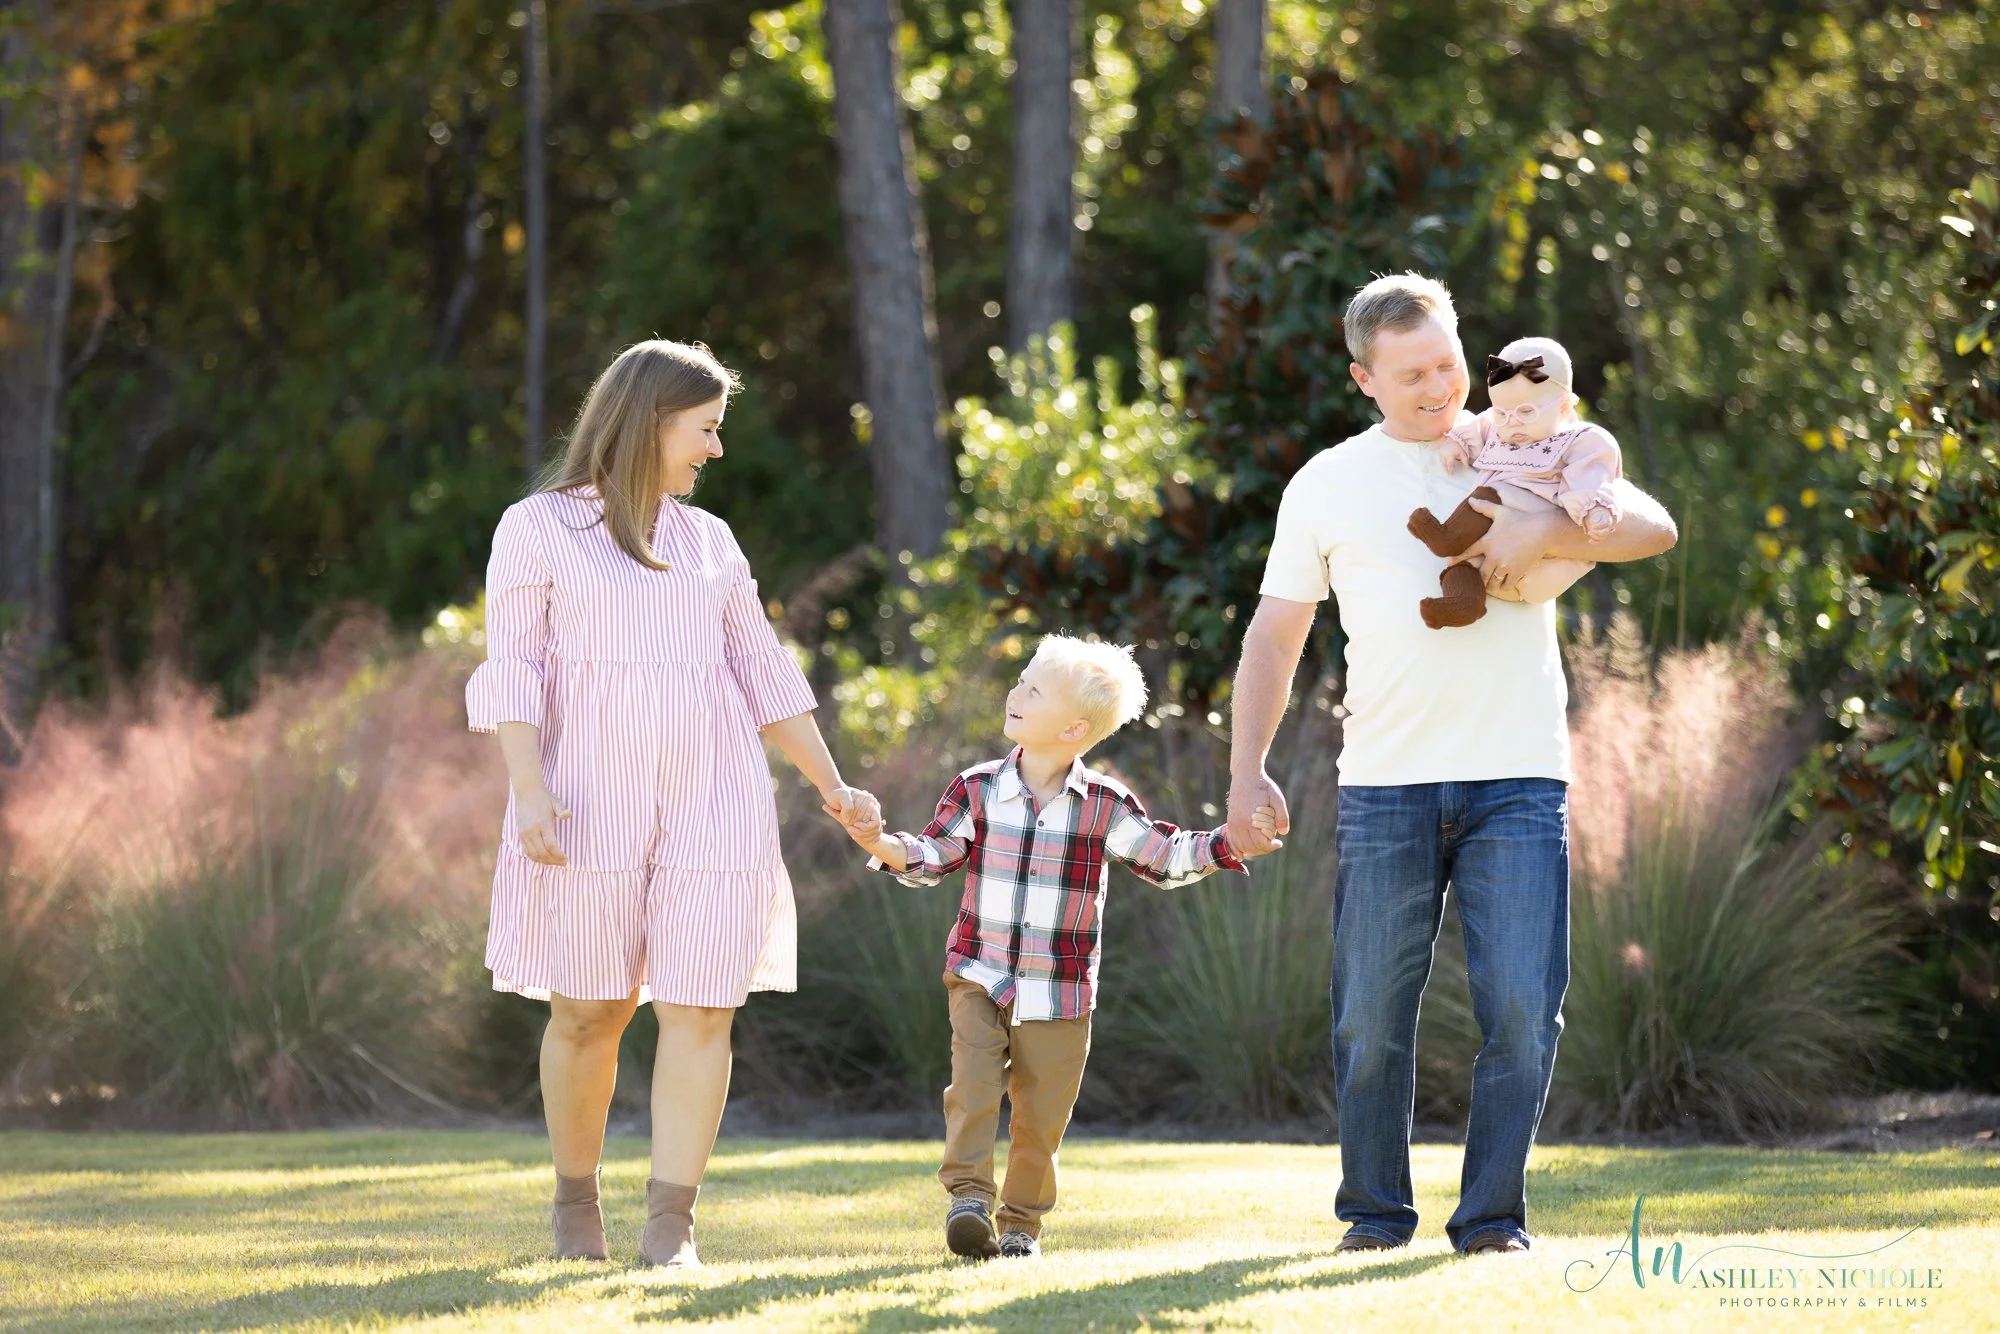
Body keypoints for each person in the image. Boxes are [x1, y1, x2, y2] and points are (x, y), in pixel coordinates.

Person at [1223, 274, 1679, 1255]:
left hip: (1517, 777)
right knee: (1367, 1019)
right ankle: (1374, 1215)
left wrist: (1546, 525)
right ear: (1363, 378)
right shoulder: (1327, 483)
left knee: (1520, 1008)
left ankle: (1490, 1220)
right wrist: (1243, 769)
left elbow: (1651, 527)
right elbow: (1273, 634)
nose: (1439, 387)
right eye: (1411, 373)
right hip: (1383, 784)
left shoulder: (1528, 439)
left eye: (1447, 362)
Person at [466, 339, 878, 1267]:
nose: (715, 450)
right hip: (582, 801)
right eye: (706, 429)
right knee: (589, 1013)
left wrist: (835, 787)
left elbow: (764, 674)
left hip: (714, 794)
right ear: (651, 420)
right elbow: (514, 672)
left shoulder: (710, 542)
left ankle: (670, 1230)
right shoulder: (534, 529)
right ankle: (577, 1207)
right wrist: (528, 792)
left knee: (702, 1010)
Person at [837, 635, 1278, 1259]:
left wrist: (1231, 842)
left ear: (1074, 728)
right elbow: (933, 856)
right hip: (979, 972)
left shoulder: (1104, 804)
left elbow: (1164, 857)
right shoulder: (977, 788)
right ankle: (968, 1198)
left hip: (1062, 988)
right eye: (1020, 681)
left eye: (1033, 690)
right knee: (973, 1088)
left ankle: (1020, 1226)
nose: (1015, 693)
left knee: (1040, 1120)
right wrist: (879, 841)